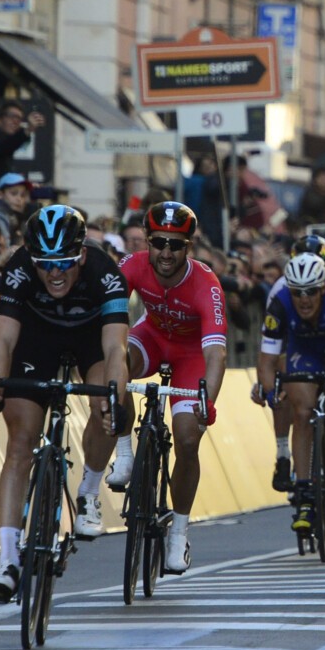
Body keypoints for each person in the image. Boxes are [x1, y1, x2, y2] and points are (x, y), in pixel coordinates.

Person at [0, 205, 130, 603]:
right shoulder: (20, 267)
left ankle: (89, 492)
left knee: (107, 405)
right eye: (45, 264)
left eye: (63, 262)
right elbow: (5, 340)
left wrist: (114, 394)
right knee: (20, 441)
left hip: (89, 339)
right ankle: (8, 557)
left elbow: (116, 347)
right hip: (36, 339)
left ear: (80, 254)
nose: (54, 273)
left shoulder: (104, 271)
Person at [116, 201, 227, 573]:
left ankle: (178, 531)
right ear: (147, 241)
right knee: (115, 362)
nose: (166, 252)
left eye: (176, 245)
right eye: (159, 242)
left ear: (189, 247)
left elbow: (216, 356)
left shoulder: (206, 284)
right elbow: (109, 320)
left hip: (191, 355)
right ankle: (125, 454)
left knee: (187, 439)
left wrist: (205, 402)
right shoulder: (132, 265)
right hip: (151, 337)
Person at [255, 252, 325, 534]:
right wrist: (271, 394)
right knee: (303, 411)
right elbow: (267, 361)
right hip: (303, 351)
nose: (303, 299)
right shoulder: (280, 303)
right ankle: (305, 492)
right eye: (297, 292)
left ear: (322, 288)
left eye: (310, 292)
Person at [0, 99, 46, 180]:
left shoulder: (10, 144)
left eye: (19, 118)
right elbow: (5, 147)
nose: (15, 121)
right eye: (11, 116)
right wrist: (29, 129)